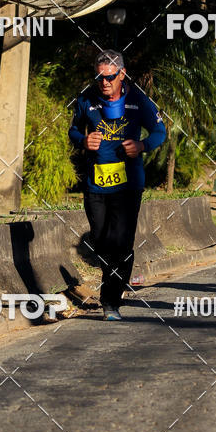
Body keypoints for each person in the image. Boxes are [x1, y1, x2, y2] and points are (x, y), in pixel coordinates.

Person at [69, 50, 166, 320]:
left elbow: (160, 130)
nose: (104, 83)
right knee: (100, 241)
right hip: (95, 184)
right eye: (100, 77)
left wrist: (143, 145)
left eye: (110, 77)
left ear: (121, 74)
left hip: (129, 185)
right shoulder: (86, 99)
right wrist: (82, 140)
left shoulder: (138, 100)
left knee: (121, 243)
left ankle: (110, 301)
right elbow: (73, 129)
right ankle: (115, 282)